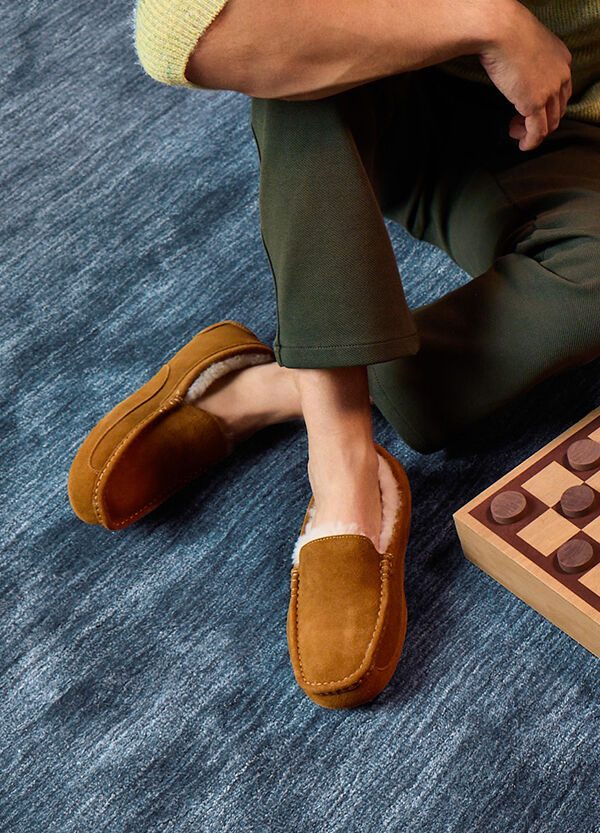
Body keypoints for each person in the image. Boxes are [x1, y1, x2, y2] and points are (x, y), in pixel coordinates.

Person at [69, 0, 600, 708]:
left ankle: (275, 384)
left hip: (567, 125)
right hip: (386, 89)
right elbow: (178, 30)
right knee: (283, 41)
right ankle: (345, 471)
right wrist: (491, 21)